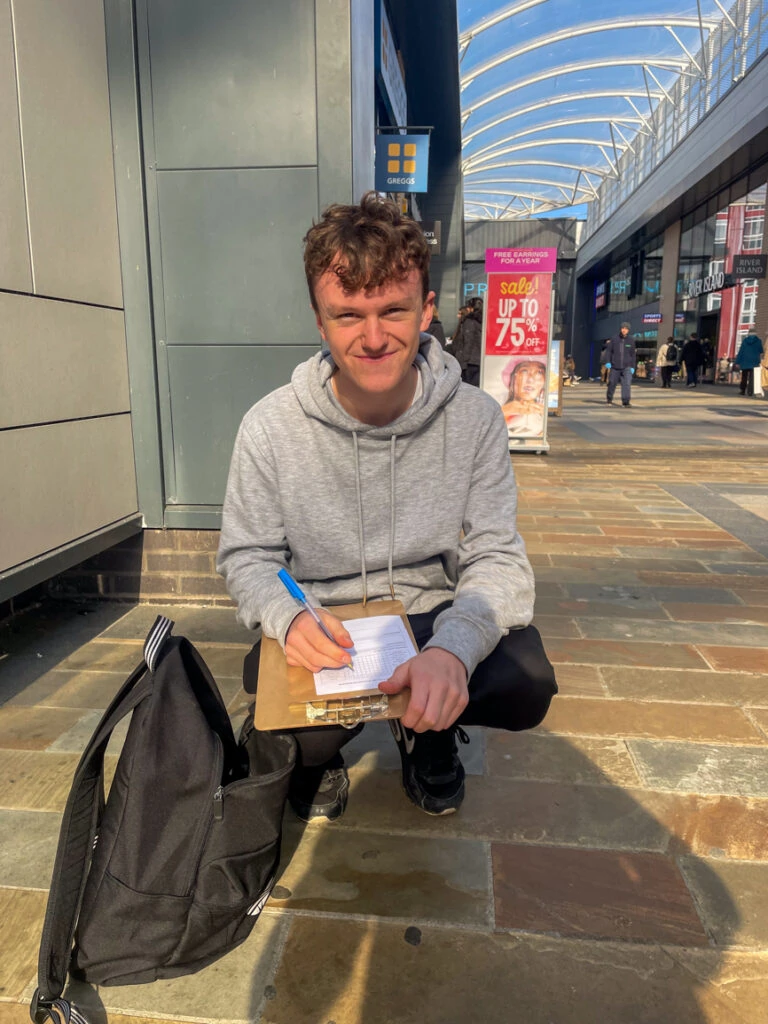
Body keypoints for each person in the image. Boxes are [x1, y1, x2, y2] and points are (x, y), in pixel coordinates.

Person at [216, 193, 557, 823]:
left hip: (428, 615)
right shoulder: (269, 426)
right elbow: (247, 556)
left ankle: (428, 730)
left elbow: (497, 557)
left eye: (393, 311)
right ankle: (319, 752)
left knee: (524, 678)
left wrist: (452, 653)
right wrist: (289, 618)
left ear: (426, 310)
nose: (373, 339)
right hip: (329, 625)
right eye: (348, 315)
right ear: (320, 321)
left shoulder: (476, 418)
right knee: (277, 708)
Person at [501, 359, 547, 434]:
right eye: (524, 371)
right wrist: (505, 411)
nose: (530, 379)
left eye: (539, 372)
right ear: (513, 378)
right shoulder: (498, 402)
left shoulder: (540, 413)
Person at [604, 322, 636, 406]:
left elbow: (633, 354)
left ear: (628, 330)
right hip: (615, 366)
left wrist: (633, 366)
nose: (624, 330)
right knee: (612, 383)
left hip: (627, 367)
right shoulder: (614, 339)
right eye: (623, 328)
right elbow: (608, 351)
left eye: (626, 329)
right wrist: (608, 361)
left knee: (627, 384)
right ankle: (609, 399)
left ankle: (626, 402)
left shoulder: (631, 340)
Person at [452, 297, 483, 386]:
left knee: (468, 388)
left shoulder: (469, 321)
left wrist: (463, 361)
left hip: (469, 362)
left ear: (471, 308)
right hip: (479, 361)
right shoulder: (483, 321)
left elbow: (468, 341)